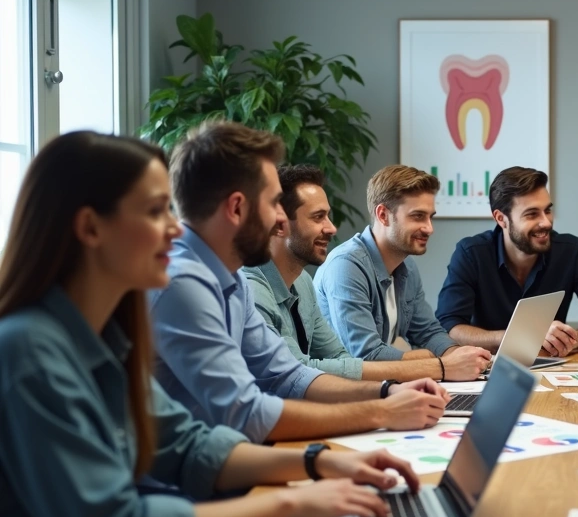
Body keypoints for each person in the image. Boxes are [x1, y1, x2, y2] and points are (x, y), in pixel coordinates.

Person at [0, 131, 421, 517]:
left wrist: (318, 463)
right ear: (91, 228)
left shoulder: (105, 333)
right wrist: (292, 505)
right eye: (155, 211)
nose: (176, 228)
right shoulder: (30, 351)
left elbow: (185, 444)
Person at [150, 123, 449, 444]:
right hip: (194, 478)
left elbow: (288, 375)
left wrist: (389, 390)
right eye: (273, 203)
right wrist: (383, 411)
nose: (281, 221)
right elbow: (246, 413)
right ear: (237, 208)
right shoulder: (182, 284)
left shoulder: (230, 277)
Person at [244, 165, 453, 383]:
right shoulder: (250, 289)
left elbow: (341, 359)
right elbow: (298, 370)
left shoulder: (302, 281)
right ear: (278, 224)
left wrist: (390, 393)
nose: (332, 228)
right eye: (318, 217)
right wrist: (434, 368)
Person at [314, 165, 492, 378]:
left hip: (381, 386)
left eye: (430, 217)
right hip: (339, 396)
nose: (429, 228)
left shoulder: (406, 266)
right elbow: (364, 356)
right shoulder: (346, 266)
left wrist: (459, 355)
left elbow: (428, 331)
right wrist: (440, 363)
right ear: (383, 215)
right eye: (417, 216)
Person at [435, 166, 578, 356]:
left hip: (553, 366)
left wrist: (570, 339)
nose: (546, 222)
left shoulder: (572, 251)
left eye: (547, 211)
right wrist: (519, 337)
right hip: (486, 369)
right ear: (501, 219)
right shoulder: (471, 254)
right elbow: (449, 328)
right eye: (532, 214)